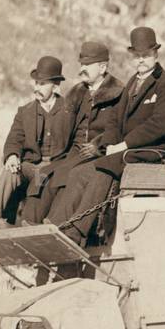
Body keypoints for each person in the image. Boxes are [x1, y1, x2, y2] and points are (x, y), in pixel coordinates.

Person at [47, 26, 165, 246]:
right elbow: (114, 121)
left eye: (146, 55)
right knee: (79, 172)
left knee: (106, 167)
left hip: (153, 150)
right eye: (137, 56)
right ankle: (55, 226)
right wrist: (109, 143)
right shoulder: (131, 83)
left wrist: (123, 145)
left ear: (156, 54)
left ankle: (77, 232)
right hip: (126, 149)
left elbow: (160, 126)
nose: (141, 60)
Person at [0, 56, 67, 231]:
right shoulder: (25, 112)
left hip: (55, 168)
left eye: (42, 84)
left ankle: (26, 222)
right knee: (10, 170)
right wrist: (12, 155)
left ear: (56, 86)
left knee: (41, 178)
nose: (37, 88)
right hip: (31, 166)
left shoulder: (68, 110)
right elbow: (14, 138)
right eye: (36, 83)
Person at [36, 41, 124, 220]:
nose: (82, 68)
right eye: (81, 64)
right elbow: (62, 129)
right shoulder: (77, 92)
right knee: (43, 173)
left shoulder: (118, 93)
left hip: (97, 154)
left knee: (65, 174)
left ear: (102, 67)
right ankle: (30, 221)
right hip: (73, 152)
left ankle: (53, 223)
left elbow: (118, 128)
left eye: (87, 65)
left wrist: (98, 145)